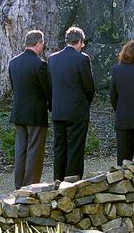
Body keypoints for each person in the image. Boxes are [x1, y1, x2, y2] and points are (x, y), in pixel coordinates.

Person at [48, 26, 95, 181]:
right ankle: (72, 180)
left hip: (58, 109)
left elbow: (50, 84)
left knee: (59, 146)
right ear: (80, 41)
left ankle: (58, 179)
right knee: (75, 147)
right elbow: (89, 86)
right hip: (77, 109)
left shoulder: (52, 59)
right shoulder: (82, 59)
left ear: (66, 40)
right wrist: (85, 102)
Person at [8, 30, 51, 189]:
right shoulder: (39, 64)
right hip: (35, 113)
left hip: (18, 112)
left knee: (20, 150)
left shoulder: (13, 62)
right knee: (35, 151)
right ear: (38, 43)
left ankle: (19, 185)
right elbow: (47, 90)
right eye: (42, 43)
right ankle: (31, 185)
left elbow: (14, 87)